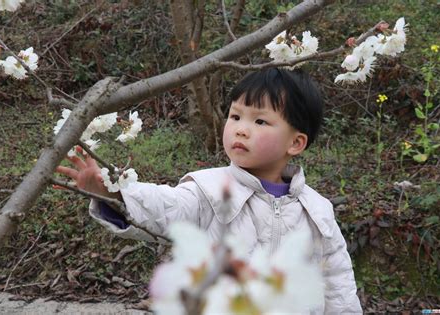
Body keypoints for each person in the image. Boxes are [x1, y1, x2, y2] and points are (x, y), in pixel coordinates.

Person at [56, 68, 362, 313]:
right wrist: (112, 192)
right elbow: (166, 207)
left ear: (295, 143)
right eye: (235, 116)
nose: (241, 128)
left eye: (260, 120)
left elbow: (336, 280)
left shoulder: (317, 209)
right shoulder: (209, 190)